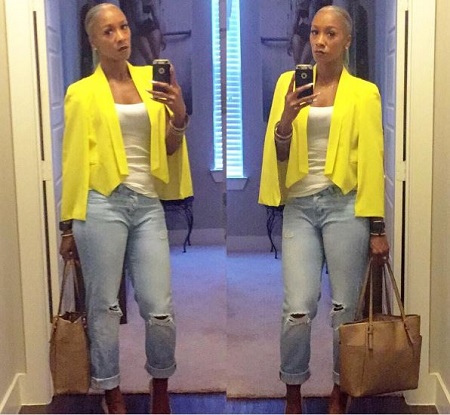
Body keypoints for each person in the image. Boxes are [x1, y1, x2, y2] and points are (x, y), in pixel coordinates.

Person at [59, 3, 192, 413]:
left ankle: (160, 387)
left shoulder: (153, 81)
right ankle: (111, 392)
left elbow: (170, 148)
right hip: (101, 204)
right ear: (93, 41)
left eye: (123, 27)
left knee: (159, 308)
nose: (120, 37)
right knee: (104, 306)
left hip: (147, 203)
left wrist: (179, 113)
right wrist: (68, 226)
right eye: (108, 31)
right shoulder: (81, 93)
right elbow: (74, 161)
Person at [259, 6, 389, 414]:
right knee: (297, 308)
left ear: (347, 40)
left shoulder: (364, 93)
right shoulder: (288, 84)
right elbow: (278, 153)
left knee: (344, 309)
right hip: (300, 206)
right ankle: (293, 394)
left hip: (344, 205)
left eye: (330, 34)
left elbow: (372, 161)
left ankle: (339, 391)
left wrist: (377, 227)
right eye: (315, 32)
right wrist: (286, 117)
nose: (319, 41)